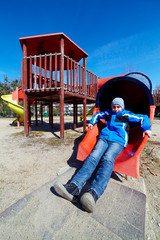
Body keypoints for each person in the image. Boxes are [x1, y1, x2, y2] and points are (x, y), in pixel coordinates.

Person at [54, 97, 152, 212]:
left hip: (118, 141)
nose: (115, 109)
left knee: (108, 158)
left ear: (122, 107)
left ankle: (93, 193)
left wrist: (146, 128)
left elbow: (143, 117)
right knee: (93, 156)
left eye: (118, 107)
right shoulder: (108, 113)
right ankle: (74, 187)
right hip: (104, 138)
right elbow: (98, 115)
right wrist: (92, 123)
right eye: (114, 107)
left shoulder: (127, 115)